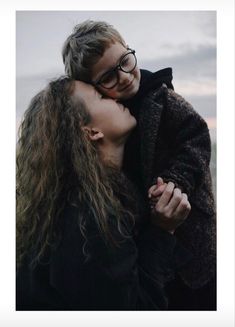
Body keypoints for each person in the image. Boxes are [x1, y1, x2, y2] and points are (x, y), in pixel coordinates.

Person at [62, 20, 216, 310]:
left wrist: (175, 180)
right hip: (149, 239)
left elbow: (196, 138)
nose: (123, 76)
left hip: (188, 223)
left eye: (125, 61)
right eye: (108, 76)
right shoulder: (105, 121)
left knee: (199, 295)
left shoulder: (164, 99)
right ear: (93, 87)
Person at [16, 77, 191, 310]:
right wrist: (163, 230)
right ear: (91, 131)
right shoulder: (86, 218)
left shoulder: (73, 200)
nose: (114, 95)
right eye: (100, 96)